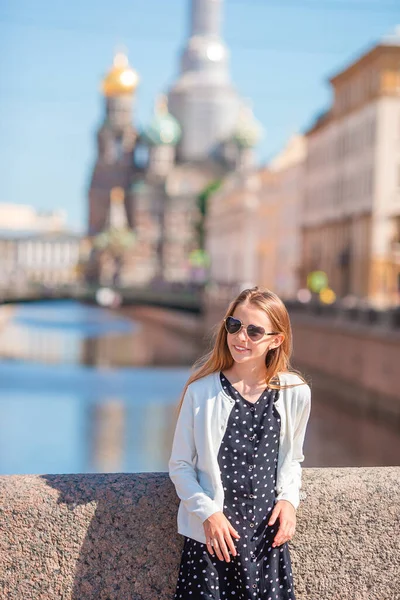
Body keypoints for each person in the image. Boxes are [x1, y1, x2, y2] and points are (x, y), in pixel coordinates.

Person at [169, 286, 311, 599]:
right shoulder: (201, 392)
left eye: (254, 331)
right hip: (213, 543)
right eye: (234, 326)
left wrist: (289, 501)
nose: (240, 337)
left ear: (276, 339)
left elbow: (291, 460)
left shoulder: (295, 392)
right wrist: (209, 514)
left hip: (265, 541)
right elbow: (180, 466)